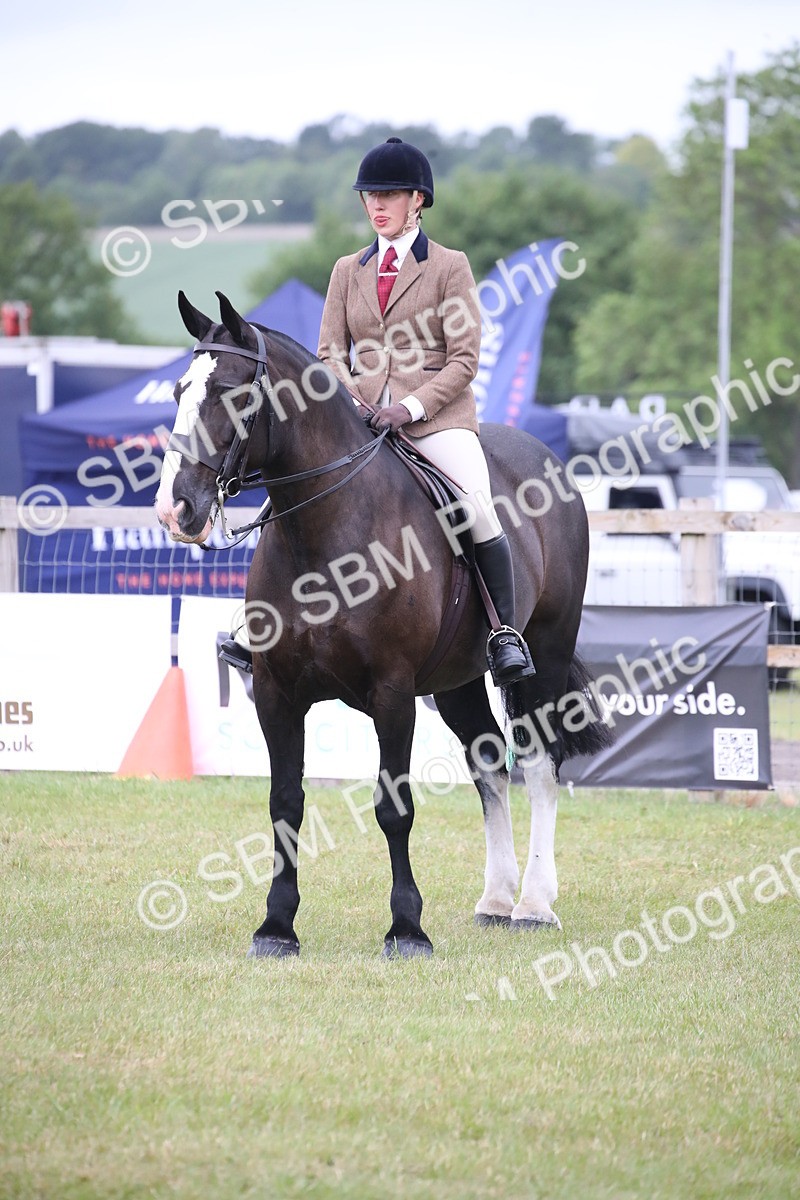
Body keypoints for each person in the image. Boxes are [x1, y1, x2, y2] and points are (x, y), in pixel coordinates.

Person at [221, 136, 534, 684]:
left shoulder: (448, 267)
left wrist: (408, 408)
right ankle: (260, 630)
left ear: (418, 199)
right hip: (357, 420)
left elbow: (464, 360)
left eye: (388, 194)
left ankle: (503, 634)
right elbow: (328, 353)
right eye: (369, 195)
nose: (377, 205)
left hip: (435, 419)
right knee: (288, 500)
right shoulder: (347, 269)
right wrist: (354, 402)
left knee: (475, 505)